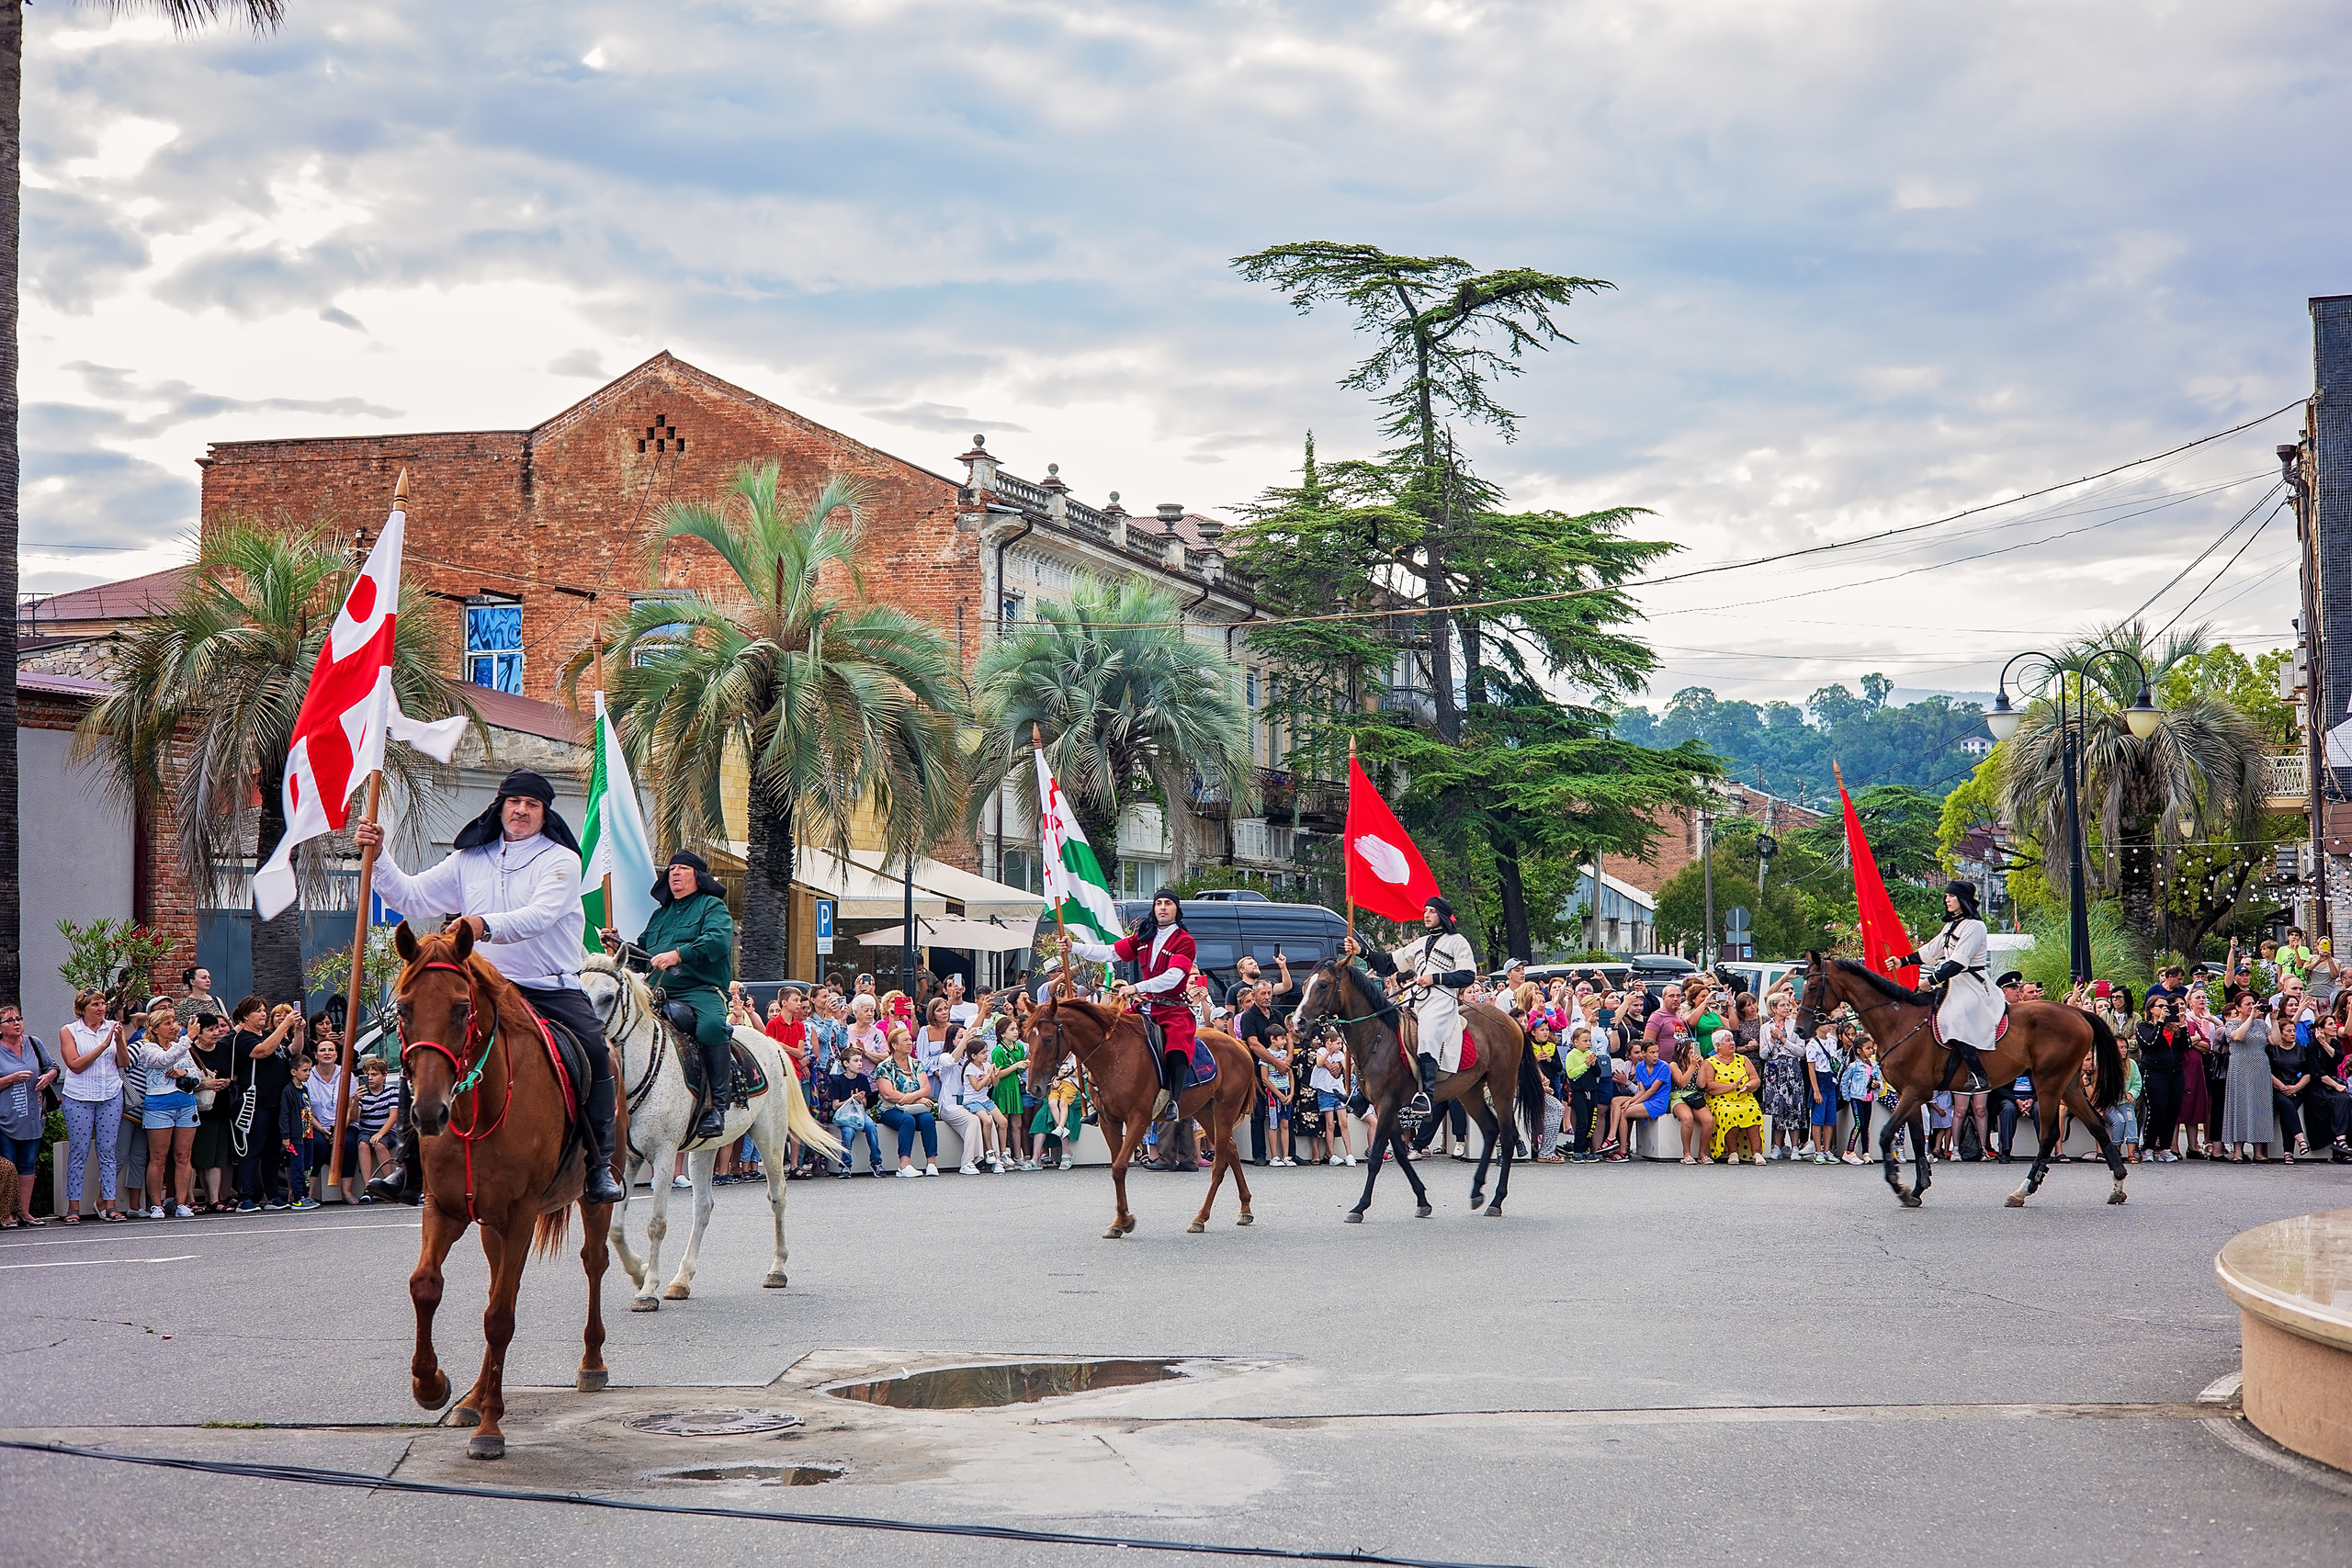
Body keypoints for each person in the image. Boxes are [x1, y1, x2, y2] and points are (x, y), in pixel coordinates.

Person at [359, 769, 626, 1205]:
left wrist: (482, 925)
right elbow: (410, 898)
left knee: (597, 1052)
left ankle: (598, 1165)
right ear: (500, 807)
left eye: (532, 804)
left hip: (548, 986)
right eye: (514, 801)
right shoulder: (469, 858)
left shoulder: (561, 860)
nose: (521, 810)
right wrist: (381, 854)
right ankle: (409, 1163)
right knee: (427, 1046)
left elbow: (539, 916)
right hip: (484, 985)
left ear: (544, 814)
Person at [614, 848, 739, 1148]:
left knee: (711, 1027)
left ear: (698, 876)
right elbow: (643, 957)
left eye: (682, 868)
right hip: (657, 991)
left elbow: (718, 941)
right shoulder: (660, 915)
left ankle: (717, 1108)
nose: (675, 873)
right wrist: (618, 944)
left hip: (700, 990)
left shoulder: (713, 907)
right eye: (671, 869)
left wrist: (679, 954)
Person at [1342, 894, 1478, 1119]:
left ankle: (1425, 1094)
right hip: (1418, 1001)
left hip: (1442, 1003)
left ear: (1442, 915)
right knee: (1385, 1033)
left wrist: (1434, 978)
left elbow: (1467, 975)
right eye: (1425, 910)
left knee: (1427, 1034)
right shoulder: (1420, 943)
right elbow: (1388, 963)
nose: (1426, 914)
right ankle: (1363, 1092)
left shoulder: (1457, 941)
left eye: (1431, 911)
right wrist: (1362, 952)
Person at [1071, 891, 1201, 1103]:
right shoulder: (1144, 937)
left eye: (1168, 903)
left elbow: (1173, 977)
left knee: (1177, 1051)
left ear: (1176, 909)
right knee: (1108, 1036)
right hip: (1145, 1007)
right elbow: (1110, 952)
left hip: (1172, 1008)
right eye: (1158, 903)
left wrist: (1136, 987)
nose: (1162, 907)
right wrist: (1073, 947)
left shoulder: (1184, 941)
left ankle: (1174, 1101)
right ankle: (1102, 1097)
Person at [1894, 880, 1999, 1091]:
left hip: (1973, 985)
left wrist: (1930, 981)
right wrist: (1902, 962)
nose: (1947, 900)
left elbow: (1959, 962)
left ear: (1963, 899)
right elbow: (1930, 951)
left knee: (1953, 1018)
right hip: (1955, 985)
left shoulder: (1975, 927)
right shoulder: (1950, 926)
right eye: (1946, 896)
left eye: (1951, 896)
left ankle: (1978, 1074)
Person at [59, 990, 130, 1224]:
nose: (101, 1008)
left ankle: (110, 1204)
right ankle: (73, 1206)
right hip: (79, 1096)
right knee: (79, 1150)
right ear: (82, 1008)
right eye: (95, 1004)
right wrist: (104, 1045)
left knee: (108, 1150)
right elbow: (75, 1065)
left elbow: (123, 1063)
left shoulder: (113, 1027)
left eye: (103, 1004)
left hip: (109, 1093)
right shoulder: (70, 1031)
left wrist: (118, 1041)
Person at [133, 1003, 205, 1219]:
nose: (173, 1027)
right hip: (159, 1107)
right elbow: (164, 1059)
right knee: (158, 1158)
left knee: (183, 1156)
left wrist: (185, 1071)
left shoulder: (180, 1046)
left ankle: (182, 1202)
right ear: (155, 1028)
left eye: (173, 1022)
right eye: (167, 1023)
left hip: (185, 1104)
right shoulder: (147, 1048)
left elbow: (197, 1073)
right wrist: (188, 1039)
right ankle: (157, 1204)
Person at [229, 998, 299, 1210]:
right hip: (255, 1102)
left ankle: (273, 1195)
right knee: (252, 1150)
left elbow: (292, 1051)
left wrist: (299, 1030)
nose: (262, 1014)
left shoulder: (270, 1035)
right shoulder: (242, 1039)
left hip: (277, 1101)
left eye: (263, 1010)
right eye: (257, 1011)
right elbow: (263, 1051)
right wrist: (284, 1025)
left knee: (272, 1151)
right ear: (245, 1016)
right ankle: (246, 1197)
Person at [0, 1006, 54, 1227]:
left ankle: (25, 1211)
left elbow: (53, 1067)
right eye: (10, 1020)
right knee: (7, 1165)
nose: (16, 1023)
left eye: (19, 1018)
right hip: (5, 1118)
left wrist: (48, 1077)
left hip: (33, 1116)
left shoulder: (34, 1043)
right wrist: (10, 1079)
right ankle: (6, 1213)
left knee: (27, 1164)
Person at [2220, 993, 2279, 1161]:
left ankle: (2258, 1151)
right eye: (2247, 1004)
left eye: (2253, 1003)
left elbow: (2275, 1041)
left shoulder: (2261, 1024)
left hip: (2260, 1066)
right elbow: (2237, 1037)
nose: (2252, 1006)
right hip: (2240, 1066)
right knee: (2240, 1105)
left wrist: (2273, 1020)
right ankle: (2238, 1151)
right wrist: (2250, 1017)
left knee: (2260, 1105)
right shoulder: (2232, 1023)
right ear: (2238, 1007)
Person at [874, 1027, 941, 1177]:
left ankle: (931, 1163)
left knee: (928, 1119)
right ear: (894, 1045)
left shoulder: (916, 1064)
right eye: (905, 1040)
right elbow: (888, 1093)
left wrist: (913, 1099)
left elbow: (926, 1088)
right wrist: (916, 1098)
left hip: (914, 1107)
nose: (910, 1043)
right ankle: (904, 1165)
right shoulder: (884, 1067)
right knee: (907, 1121)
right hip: (890, 1109)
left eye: (910, 1039)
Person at [2137, 996, 2187, 1162]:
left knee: (2172, 1111)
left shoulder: (2173, 1028)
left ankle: (2166, 1147)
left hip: (2175, 1072)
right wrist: (2160, 1023)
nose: (2165, 1009)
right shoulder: (2144, 1026)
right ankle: (2148, 1147)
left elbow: (2185, 1046)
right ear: (2151, 1009)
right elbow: (2151, 1043)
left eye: (2167, 1006)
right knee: (2157, 1109)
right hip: (2154, 1072)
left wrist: (2183, 1026)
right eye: (2161, 1006)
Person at [1704, 1031, 1766, 1164]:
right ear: (1718, 1045)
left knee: (1754, 1109)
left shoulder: (1743, 1059)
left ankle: (1756, 1153)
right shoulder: (1710, 1062)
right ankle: (1733, 1152)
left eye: (1732, 1040)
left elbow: (1756, 1079)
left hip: (1744, 1096)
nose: (1732, 1043)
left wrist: (1748, 1085)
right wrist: (1731, 1087)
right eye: (1728, 1040)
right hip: (1721, 1098)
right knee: (1728, 1112)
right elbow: (1709, 1086)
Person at [1602, 1038, 1669, 1160]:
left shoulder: (1664, 1067)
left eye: (1657, 1052)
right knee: (1616, 1101)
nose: (1655, 1056)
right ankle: (1612, 1137)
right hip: (1646, 1099)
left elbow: (1652, 1091)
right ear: (1644, 1054)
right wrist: (1629, 1101)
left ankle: (1623, 1150)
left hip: (1658, 1102)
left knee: (1625, 1112)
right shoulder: (1639, 1067)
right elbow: (1642, 1090)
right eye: (1652, 1053)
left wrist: (1632, 1104)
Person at [1758, 995, 1807, 1160]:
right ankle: (1777, 1145)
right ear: (1773, 1008)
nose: (1787, 1008)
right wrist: (1772, 1039)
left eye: (1788, 1005)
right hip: (1773, 1069)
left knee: (1794, 1106)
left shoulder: (1795, 1025)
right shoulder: (1765, 1027)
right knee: (1775, 1107)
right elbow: (1763, 1054)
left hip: (1792, 1068)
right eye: (1782, 1005)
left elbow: (1801, 1051)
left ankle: (1794, 1147)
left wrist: (1783, 1039)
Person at [826, 1048, 884, 1176]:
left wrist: (860, 1099)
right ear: (846, 1063)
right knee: (848, 1132)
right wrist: (851, 1099)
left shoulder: (863, 1079)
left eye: (860, 1061)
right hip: (845, 1115)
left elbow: (865, 1104)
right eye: (856, 1061)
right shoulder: (838, 1080)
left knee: (871, 1127)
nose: (860, 1064)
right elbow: (835, 1106)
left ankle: (876, 1161)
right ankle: (846, 1165)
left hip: (859, 1113)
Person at [353, 1057, 400, 1200]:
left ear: (384, 1075)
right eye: (368, 1075)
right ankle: (368, 1188)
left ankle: (390, 1185)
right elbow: (355, 1117)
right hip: (366, 1130)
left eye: (374, 1074)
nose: (370, 1078)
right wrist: (355, 1101)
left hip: (388, 1130)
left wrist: (380, 1133)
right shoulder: (363, 1094)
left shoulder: (392, 1091)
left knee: (379, 1145)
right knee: (363, 1145)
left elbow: (394, 1116)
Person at [1668, 1036, 1714, 1164]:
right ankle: (1686, 1153)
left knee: (1708, 1120)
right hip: (1679, 1095)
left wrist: (1701, 1067)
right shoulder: (1674, 1065)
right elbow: (1682, 1083)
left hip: (1694, 1095)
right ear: (1682, 1050)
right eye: (1690, 1049)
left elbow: (1701, 1084)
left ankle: (1702, 1153)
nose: (1692, 1052)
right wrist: (1692, 1066)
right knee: (1687, 1118)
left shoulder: (1697, 1064)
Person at [1804, 1017, 1843, 1164]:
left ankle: (1827, 1150)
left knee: (1830, 1117)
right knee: (1818, 1118)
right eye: (1825, 1023)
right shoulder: (1812, 1044)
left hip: (1831, 1079)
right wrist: (1816, 1090)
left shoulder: (1832, 1042)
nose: (1828, 1025)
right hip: (1819, 1079)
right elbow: (1811, 1069)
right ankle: (1818, 1150)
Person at [1839, 1040, 1881, 1164]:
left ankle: (1865, 1152)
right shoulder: (1854, 1066)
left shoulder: (1874, 1065)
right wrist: (1847, 1096)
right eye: (1868, 1048)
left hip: (1869, 1098)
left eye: (1872, 1048)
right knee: (1859, 1124)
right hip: (1857, 1098)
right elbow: (1844, 1080)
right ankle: (1849, 1151)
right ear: (1859, 1050)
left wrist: (1877, 1085)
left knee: (1866, 1126)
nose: (1871, 1051)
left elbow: (1880, 1082)